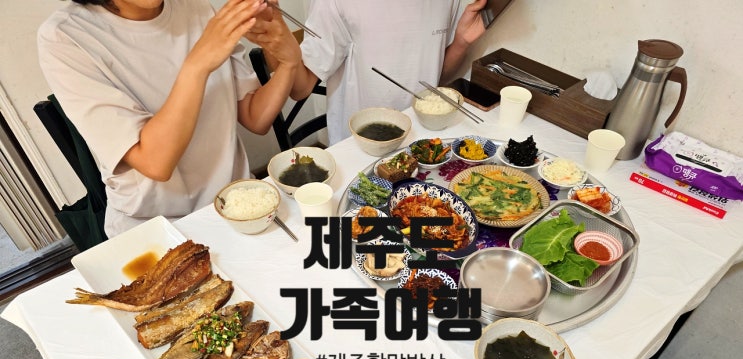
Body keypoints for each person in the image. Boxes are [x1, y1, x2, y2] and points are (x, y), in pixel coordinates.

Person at [37, 0, 300, 237]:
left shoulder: (196, 8)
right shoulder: (66, 36)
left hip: (237, 205)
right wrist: (197, 65)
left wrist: (288, 63)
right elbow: (155, 163)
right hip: (154, 228)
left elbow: (255, 117)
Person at [288, 0, 488, 145]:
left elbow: (437, 74)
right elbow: (300, 88)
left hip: (424, 141)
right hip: (361, 149)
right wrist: (278, 36)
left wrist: (461, 42)